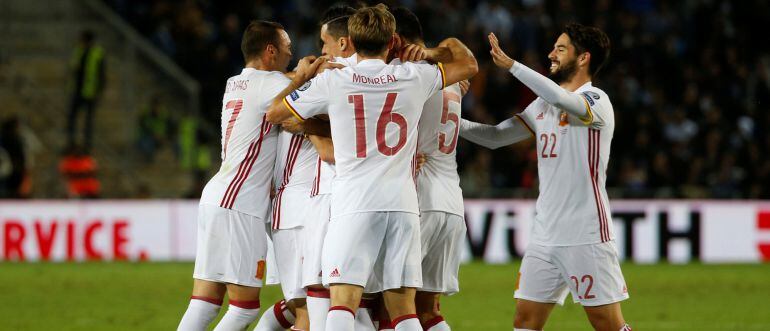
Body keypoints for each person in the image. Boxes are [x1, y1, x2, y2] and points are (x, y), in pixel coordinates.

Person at [266, 4, 477, 331]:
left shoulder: (335, 81)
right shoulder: (415, 76)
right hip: (404, 206)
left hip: (355, 205)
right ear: (392, 40)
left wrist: (302, 79)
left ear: (350, 39)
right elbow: (468, 62)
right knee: (404, 309)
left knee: (343, 302)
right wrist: (430, 52)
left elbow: (276, 113)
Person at [459, 24, 631, 331]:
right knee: (525, 321)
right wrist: (449, 120)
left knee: (608, 325)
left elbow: (565, 101)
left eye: (561, 48)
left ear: (584, 58)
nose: (551, 54)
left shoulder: (596, 101)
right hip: (544, 236)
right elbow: (496, 137)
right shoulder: (542, 105)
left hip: (586, 234)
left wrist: (513, 66)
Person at [177, 20, 292, 331]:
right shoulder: (271, 84)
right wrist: (313, 69)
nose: (291, 56)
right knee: (244, 308)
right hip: (240, 203)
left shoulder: (234, 82)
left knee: (204, 302)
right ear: (271, 51)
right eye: (287, 50)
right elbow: (305, 87)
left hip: (218, 195)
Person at [389, 7, 467, 331]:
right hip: (451, 202)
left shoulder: (408, 75)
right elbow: (462, 57)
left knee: (389, 303)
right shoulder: (451, 77)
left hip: (418, 198)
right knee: (428, 312)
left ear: (395, 39)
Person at [67, 30, 105, 152]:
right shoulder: (79, 51)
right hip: (77, 90)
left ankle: (87, 145)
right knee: (72, 117)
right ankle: (71, 142)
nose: (80, 41)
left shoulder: (98, 53)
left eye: (82, 39)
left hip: (90, 92)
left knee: (88, 121)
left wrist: (99, 90)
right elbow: (73, 67)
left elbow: (101, 74)